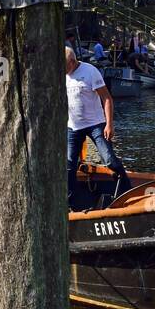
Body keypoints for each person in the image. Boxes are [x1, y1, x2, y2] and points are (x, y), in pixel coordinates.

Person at [65, 47, 128, 201]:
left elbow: (107, 98)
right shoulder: (63, 75)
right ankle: (71, 199)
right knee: (69, 166)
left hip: (96, 124)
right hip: (73, 126)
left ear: (72, 62)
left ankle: (126, 188)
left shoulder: (90, 71)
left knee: (109, 160)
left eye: (65, 66)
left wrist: (109, 124)